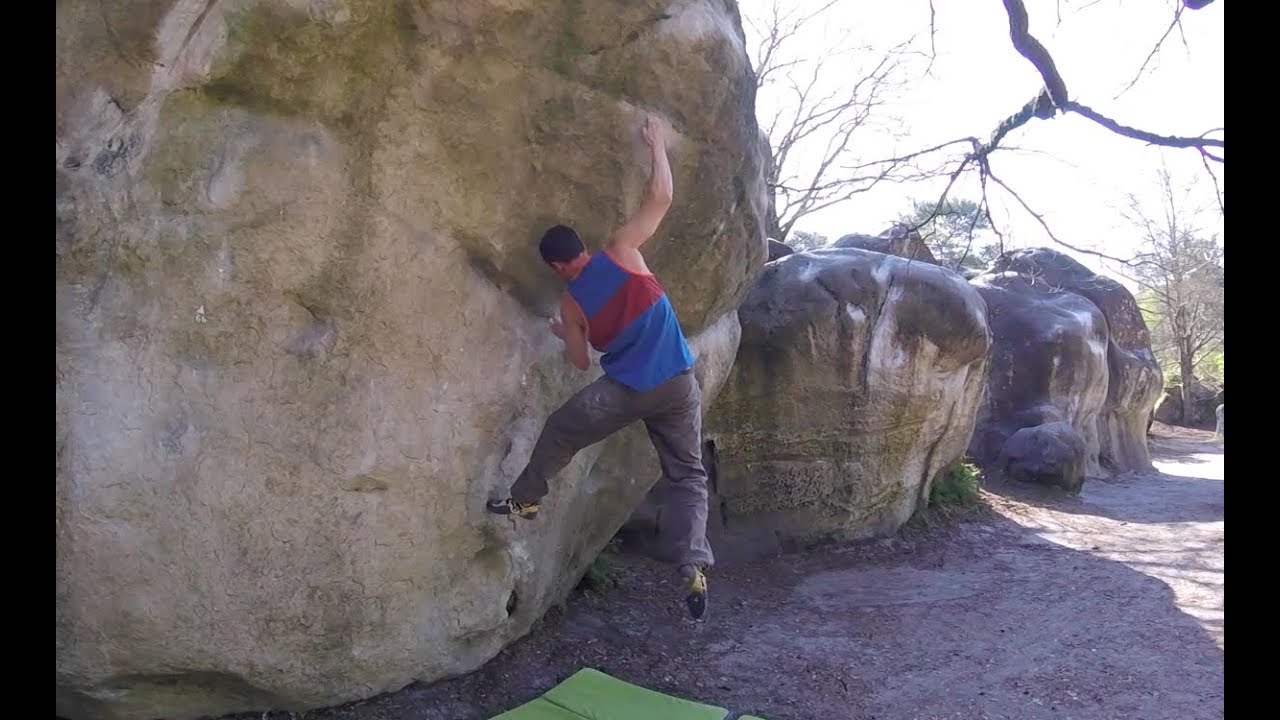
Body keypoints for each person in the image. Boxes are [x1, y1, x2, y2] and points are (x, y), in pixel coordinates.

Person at [485, 115, 714, 620]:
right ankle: (693, 564)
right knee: (687, 476)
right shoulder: (623, 252)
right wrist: (657, 146)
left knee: (561, 430)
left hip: (626, 392)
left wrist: (564, 331)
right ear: (582, 250)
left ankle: (525, 500)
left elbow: (580, 361)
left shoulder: (572, 305)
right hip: (678, 384)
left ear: (555, 267)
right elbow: (662, 199)